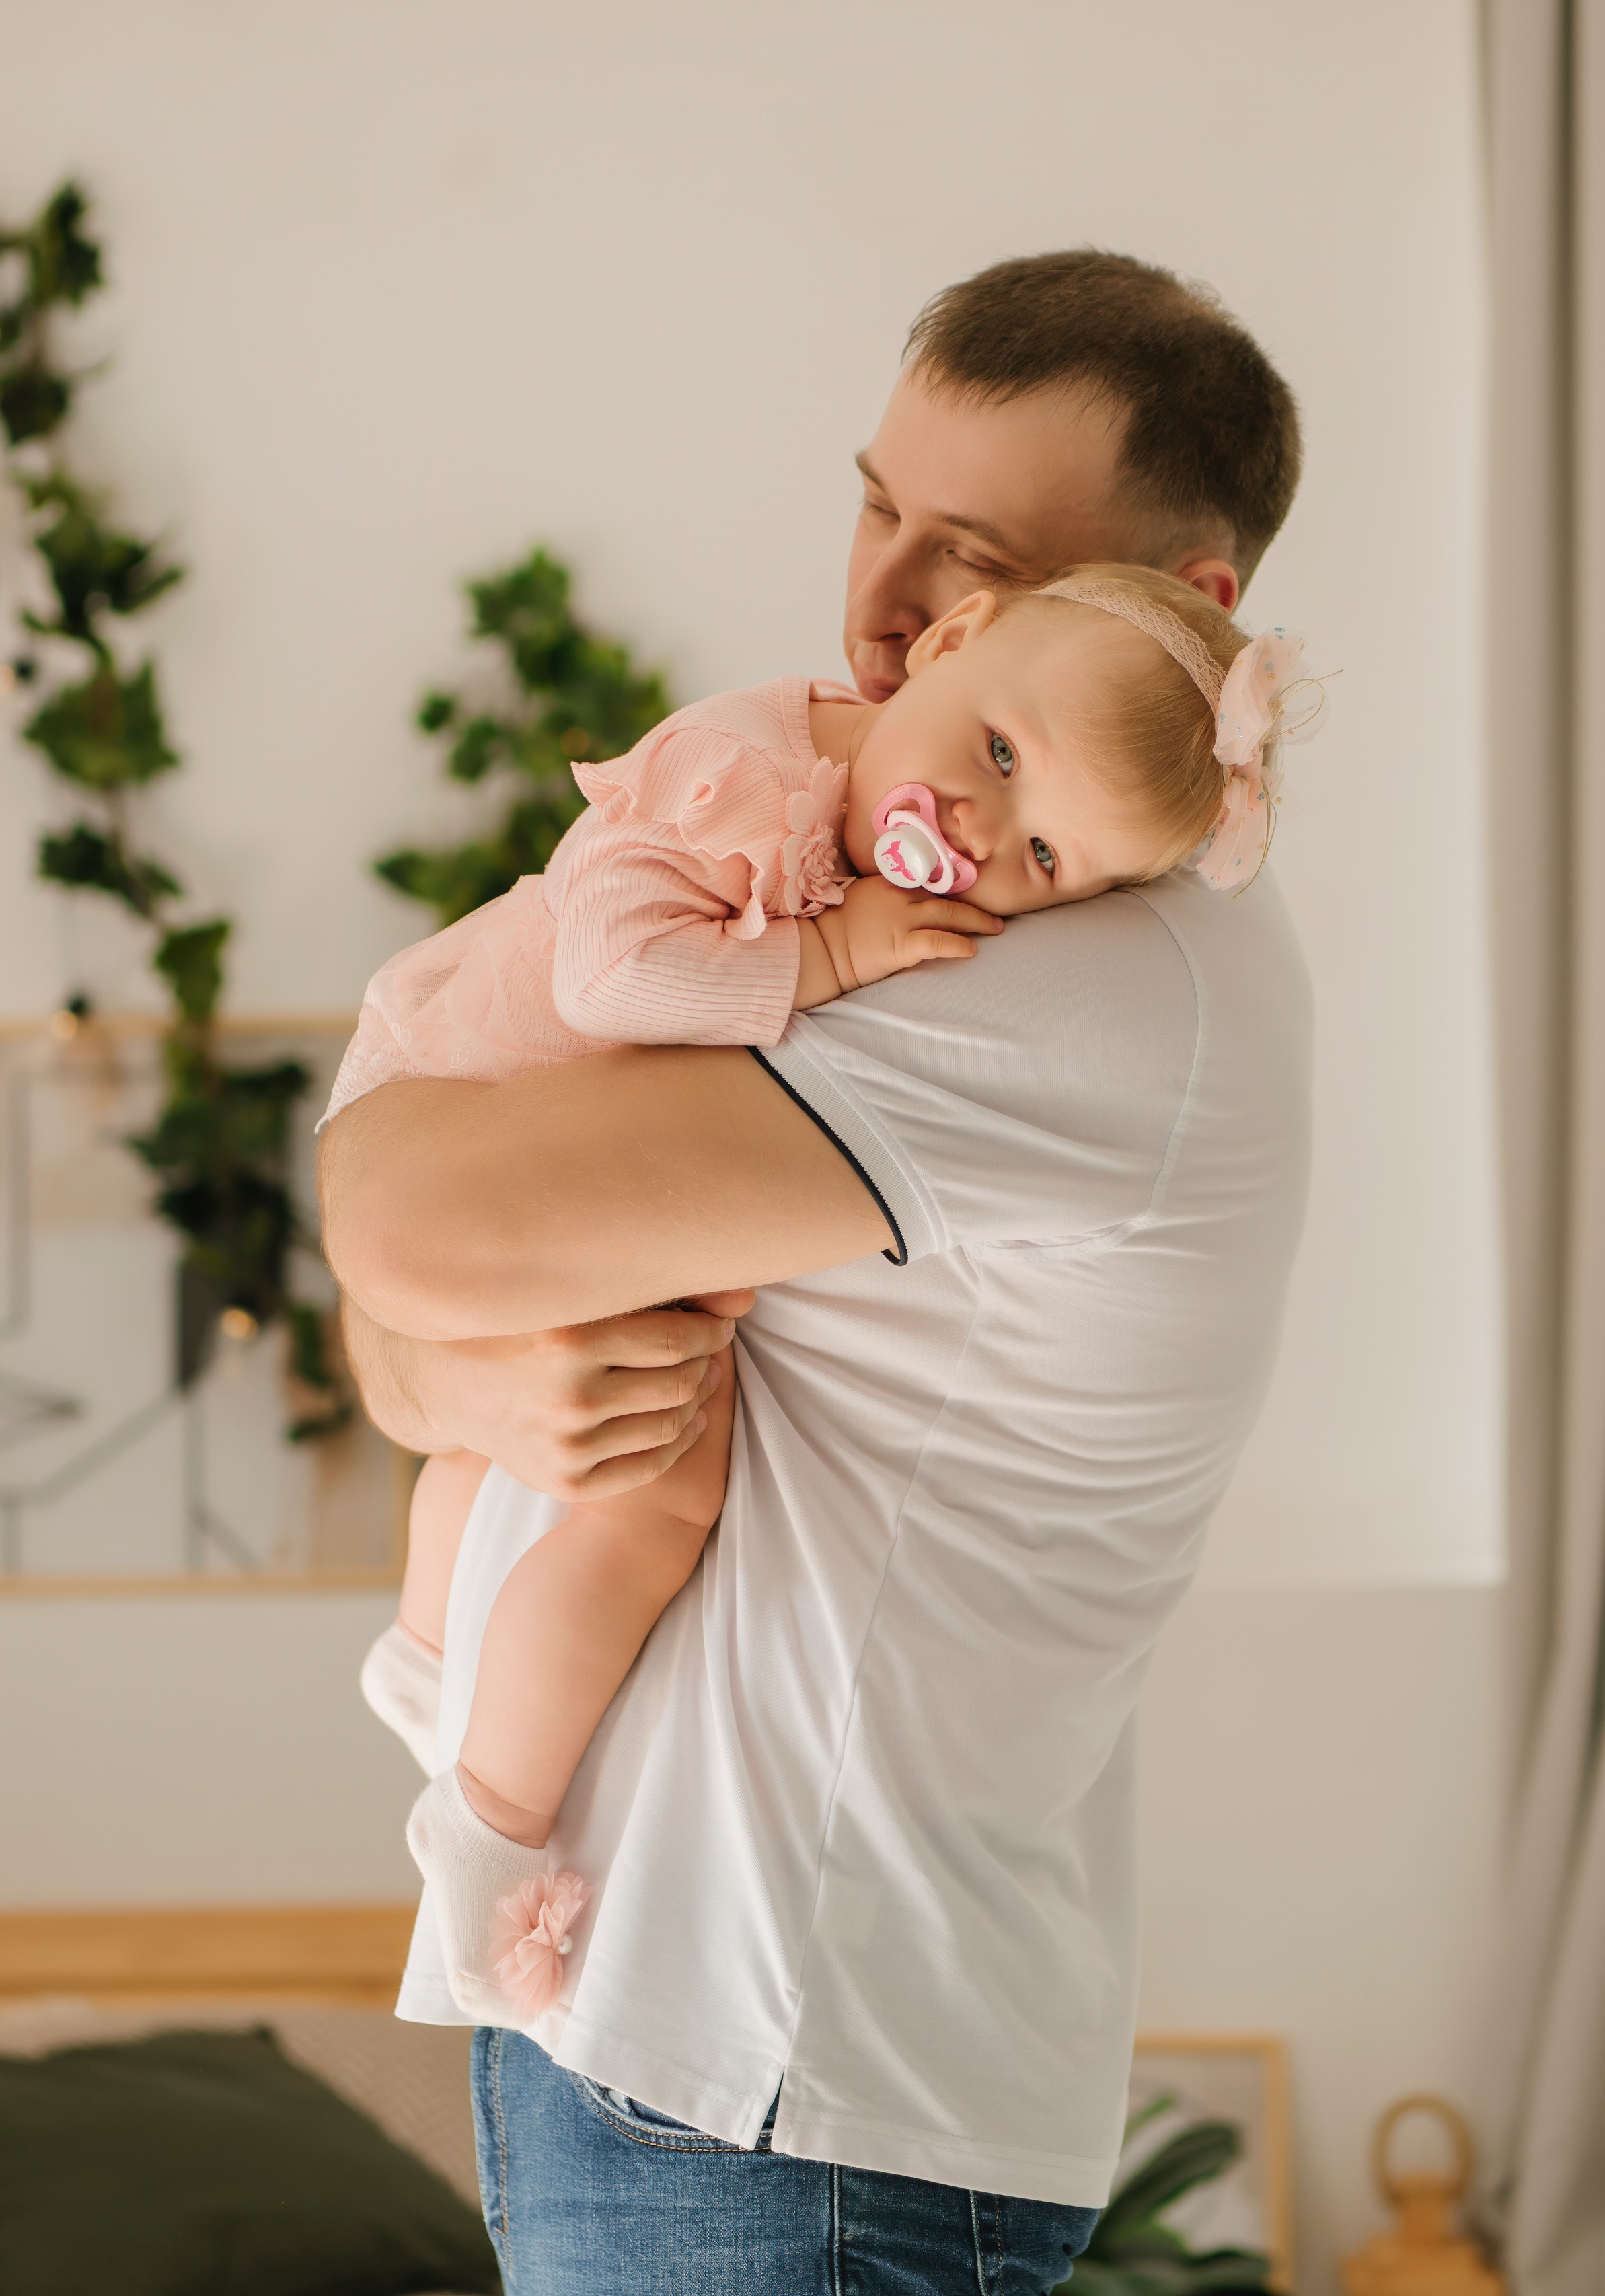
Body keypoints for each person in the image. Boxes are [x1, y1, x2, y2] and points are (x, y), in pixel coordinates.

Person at [320, 251, 1312, 2295]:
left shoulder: (1091, 978)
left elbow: (404, 1204)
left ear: (1184, 619)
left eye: (980, 551)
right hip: (689, 2035)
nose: (888, 599)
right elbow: (429, 1289)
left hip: (787, 2084)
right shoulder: (865, 858)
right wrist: (474, 1384)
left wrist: (442, 1319)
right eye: (878, 505)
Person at [342, 566, 1318, 2024]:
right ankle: (475, 1791)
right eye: (991, 755)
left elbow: (417, 1296)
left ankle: (450, 1726)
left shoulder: (1099, 975)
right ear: (948, 644)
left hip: (752, 2004)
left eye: (1043, 856)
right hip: (475, 1078)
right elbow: (610, 987)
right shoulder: (758, 789)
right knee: (639, 1492)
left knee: (549, 1457)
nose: (978, 837)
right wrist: (827, 953)